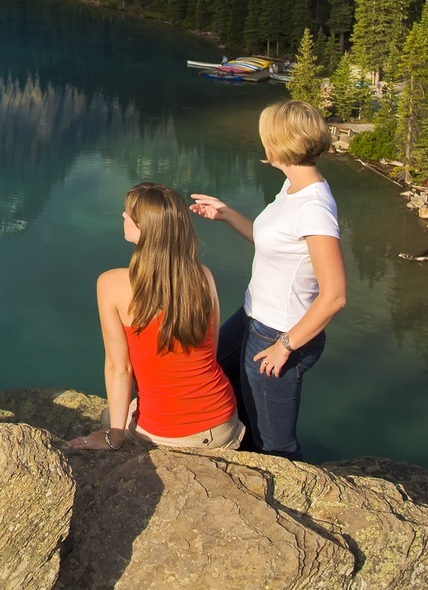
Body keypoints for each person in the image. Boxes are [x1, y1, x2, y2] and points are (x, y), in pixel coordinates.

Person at [191, 99, 347, 460]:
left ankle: (280, 500)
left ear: (279, 144)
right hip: (253, 317)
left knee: (275, 441)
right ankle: (240, 462)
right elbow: (277, 242)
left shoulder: (314, 208)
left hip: (280, 332)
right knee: (216, 375)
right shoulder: (293, 188)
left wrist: (285, 347)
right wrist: (227, 214)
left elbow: (335, 295)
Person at [68, 182, 243, 451]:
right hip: (223, 423)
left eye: (129, 213)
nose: (123, 216)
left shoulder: (112, 284)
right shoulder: (203, 276)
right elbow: (210, 352)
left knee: (108, 417)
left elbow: (119, 368)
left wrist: (113, 437)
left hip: (169, 433)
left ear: (144, 227)